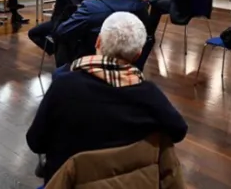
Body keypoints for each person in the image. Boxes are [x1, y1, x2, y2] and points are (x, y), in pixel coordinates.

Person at [26, 12, 188, 184]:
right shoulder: (150, 95)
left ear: (98, 42)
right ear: (138, 54)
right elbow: (179, 131)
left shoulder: (63, 86)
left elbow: (35, 142)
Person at [52, 0, 149, 66]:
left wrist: (64, 12)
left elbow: (61, 33)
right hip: (130, 66)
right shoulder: (140, 6)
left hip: (91, 66)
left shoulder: (90, 8)